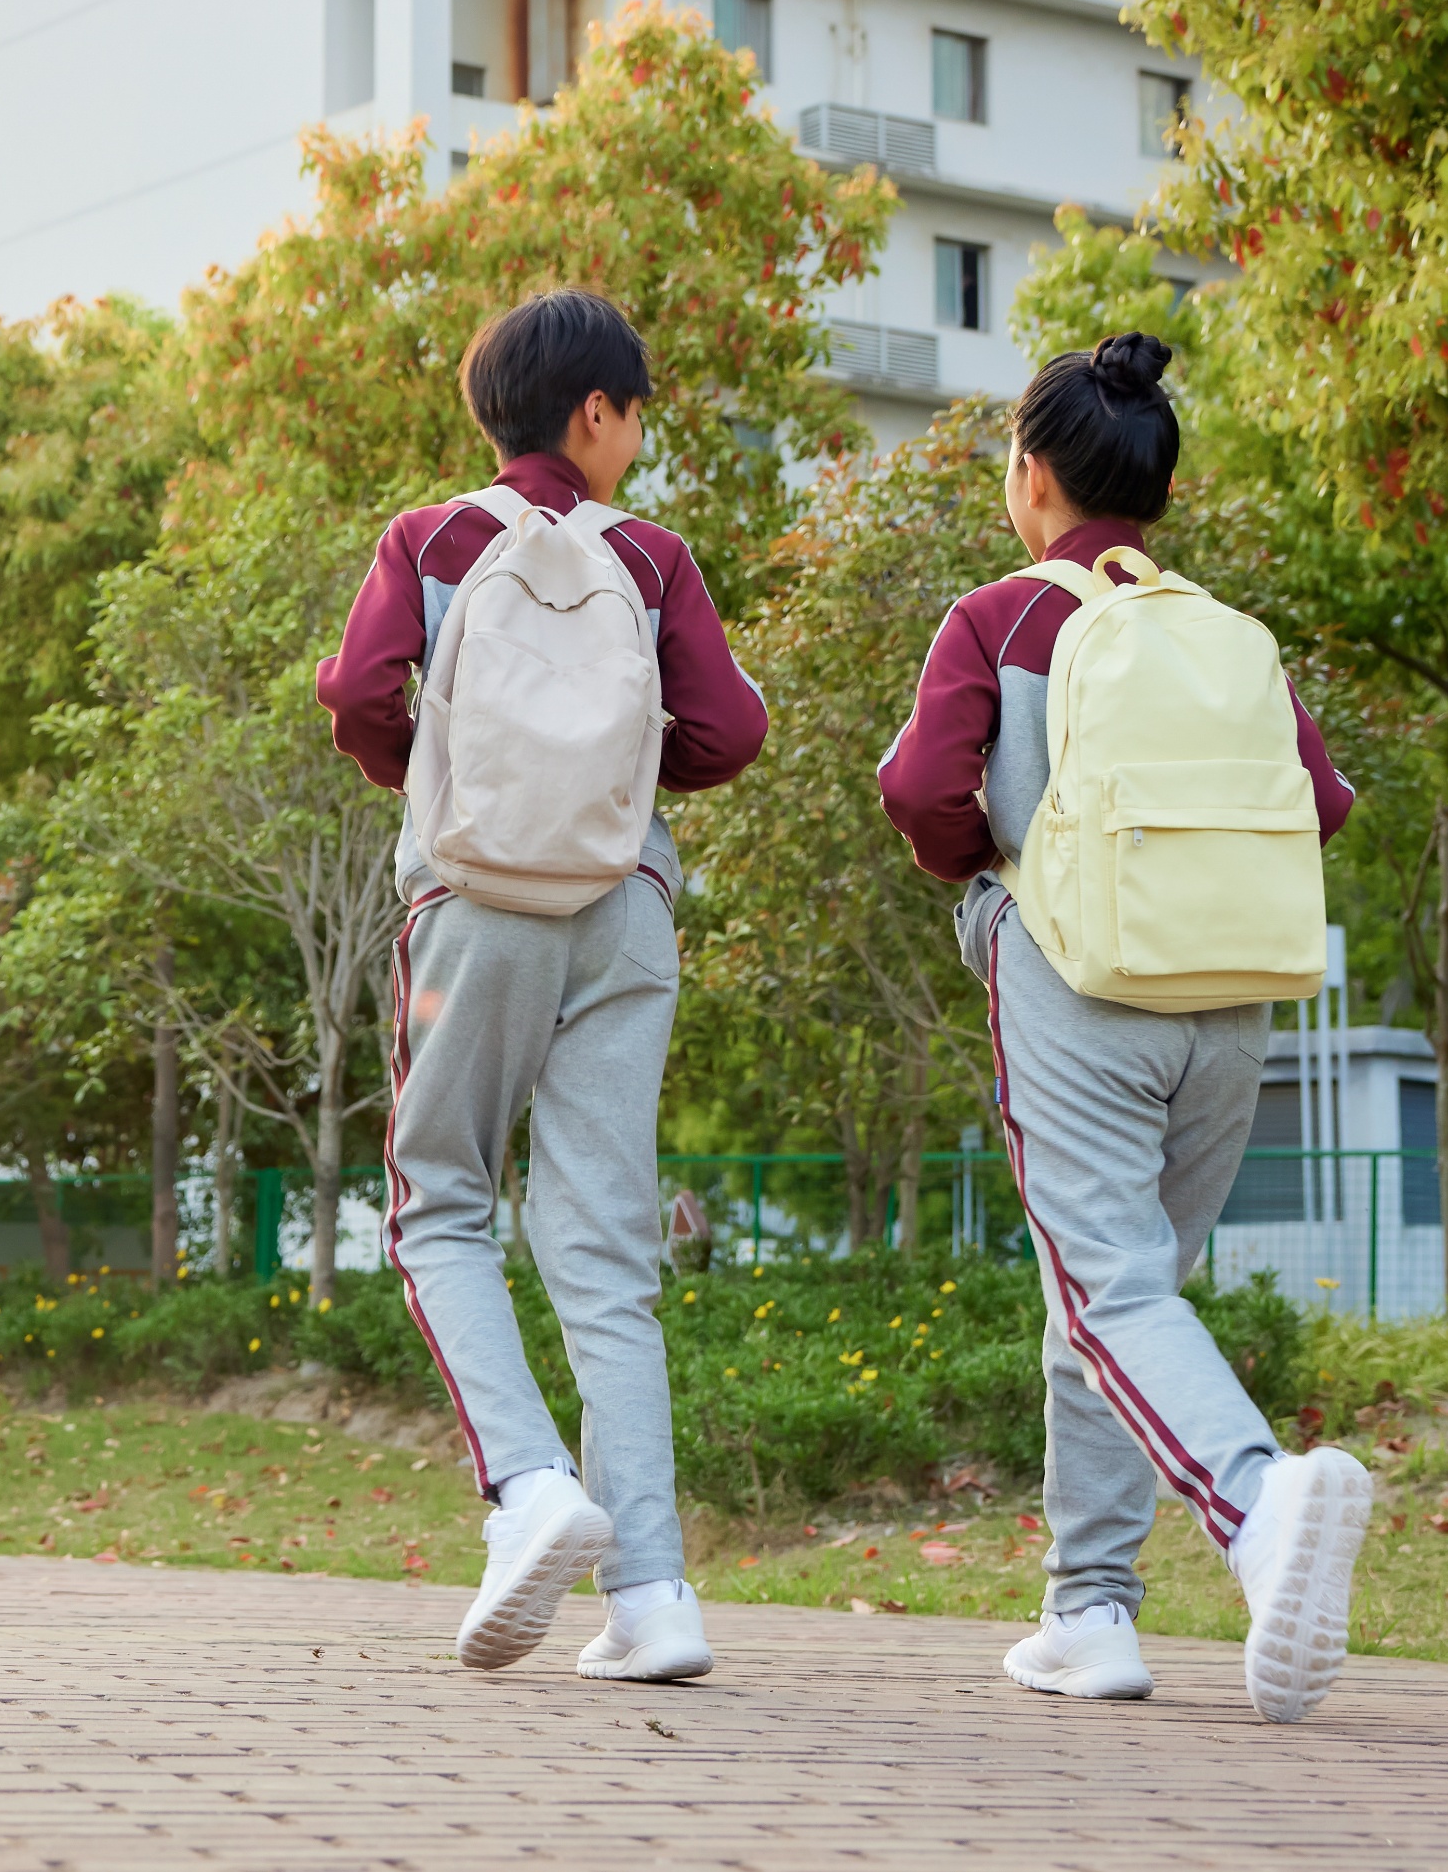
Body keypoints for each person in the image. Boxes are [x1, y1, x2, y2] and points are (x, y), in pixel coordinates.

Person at [875, 333, 1374, 1722]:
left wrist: (994, 880)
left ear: (1030, 478)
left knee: (1107, 1294)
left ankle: (1261, 1509)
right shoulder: (1223, 636)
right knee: (1116, 1295)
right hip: (1230, 1001)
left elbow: (922, 791)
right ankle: (1090, 1613)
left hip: (1081, 981)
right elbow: (1322, 807)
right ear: (1155, 489)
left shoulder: (1001, 617)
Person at [316, 288, 767, 1682]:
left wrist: (445, 777)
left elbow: (356, 693)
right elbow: (728, 729)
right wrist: (616, 787)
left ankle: (528, 1486)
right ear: (596, 414)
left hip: (476, 911)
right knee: (606, 1251)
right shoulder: (651, 557)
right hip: (623, 914)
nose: (640, 435)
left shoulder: (433, 539)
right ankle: (656, 1599)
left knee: (437, 1201)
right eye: (638, 412)